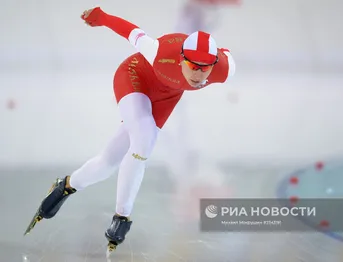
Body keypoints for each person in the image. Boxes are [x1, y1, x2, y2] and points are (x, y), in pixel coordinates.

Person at [24, 6, 236, 252]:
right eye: (193, 65)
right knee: (144, 139)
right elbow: (130, 31)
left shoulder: (223, 70)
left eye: (205, 67)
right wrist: (101, 17)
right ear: (181, 58)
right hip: (135, 77)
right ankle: (121, 217)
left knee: (108, 162)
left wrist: (220, 55)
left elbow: (227, 55)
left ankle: (66, 185)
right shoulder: (159, 51)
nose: (199, 74)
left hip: (165, 99)